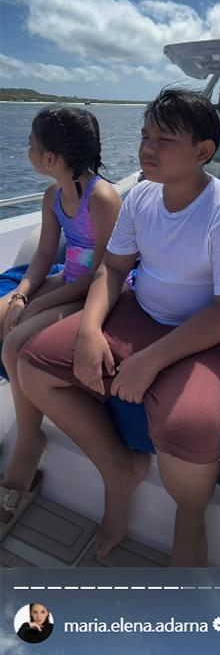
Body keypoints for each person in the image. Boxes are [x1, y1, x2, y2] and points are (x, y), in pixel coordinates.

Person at [17, 88, 220, 569]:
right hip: (140, 310)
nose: (147, 149)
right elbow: (113, 269)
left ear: (203, 151)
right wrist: (90, 330)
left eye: (164, 140)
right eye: (145, 136)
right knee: (33, 365)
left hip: (201, 331)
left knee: (190, 427)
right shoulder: (143, 197)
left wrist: (150, 361)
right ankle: (117, 466)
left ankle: (189, 521)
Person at [0, 109, 121, 538]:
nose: (28, 151)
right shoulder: (53, 196)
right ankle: (22, 425)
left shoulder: (103, 198)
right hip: (68, 279)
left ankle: (28, 442)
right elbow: (42, 255)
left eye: (31, 145)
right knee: (5, 313)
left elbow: (106, 271)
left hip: (97, 292)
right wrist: (22, 295)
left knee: (16, 341)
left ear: (50, 157)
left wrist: (40, 305)